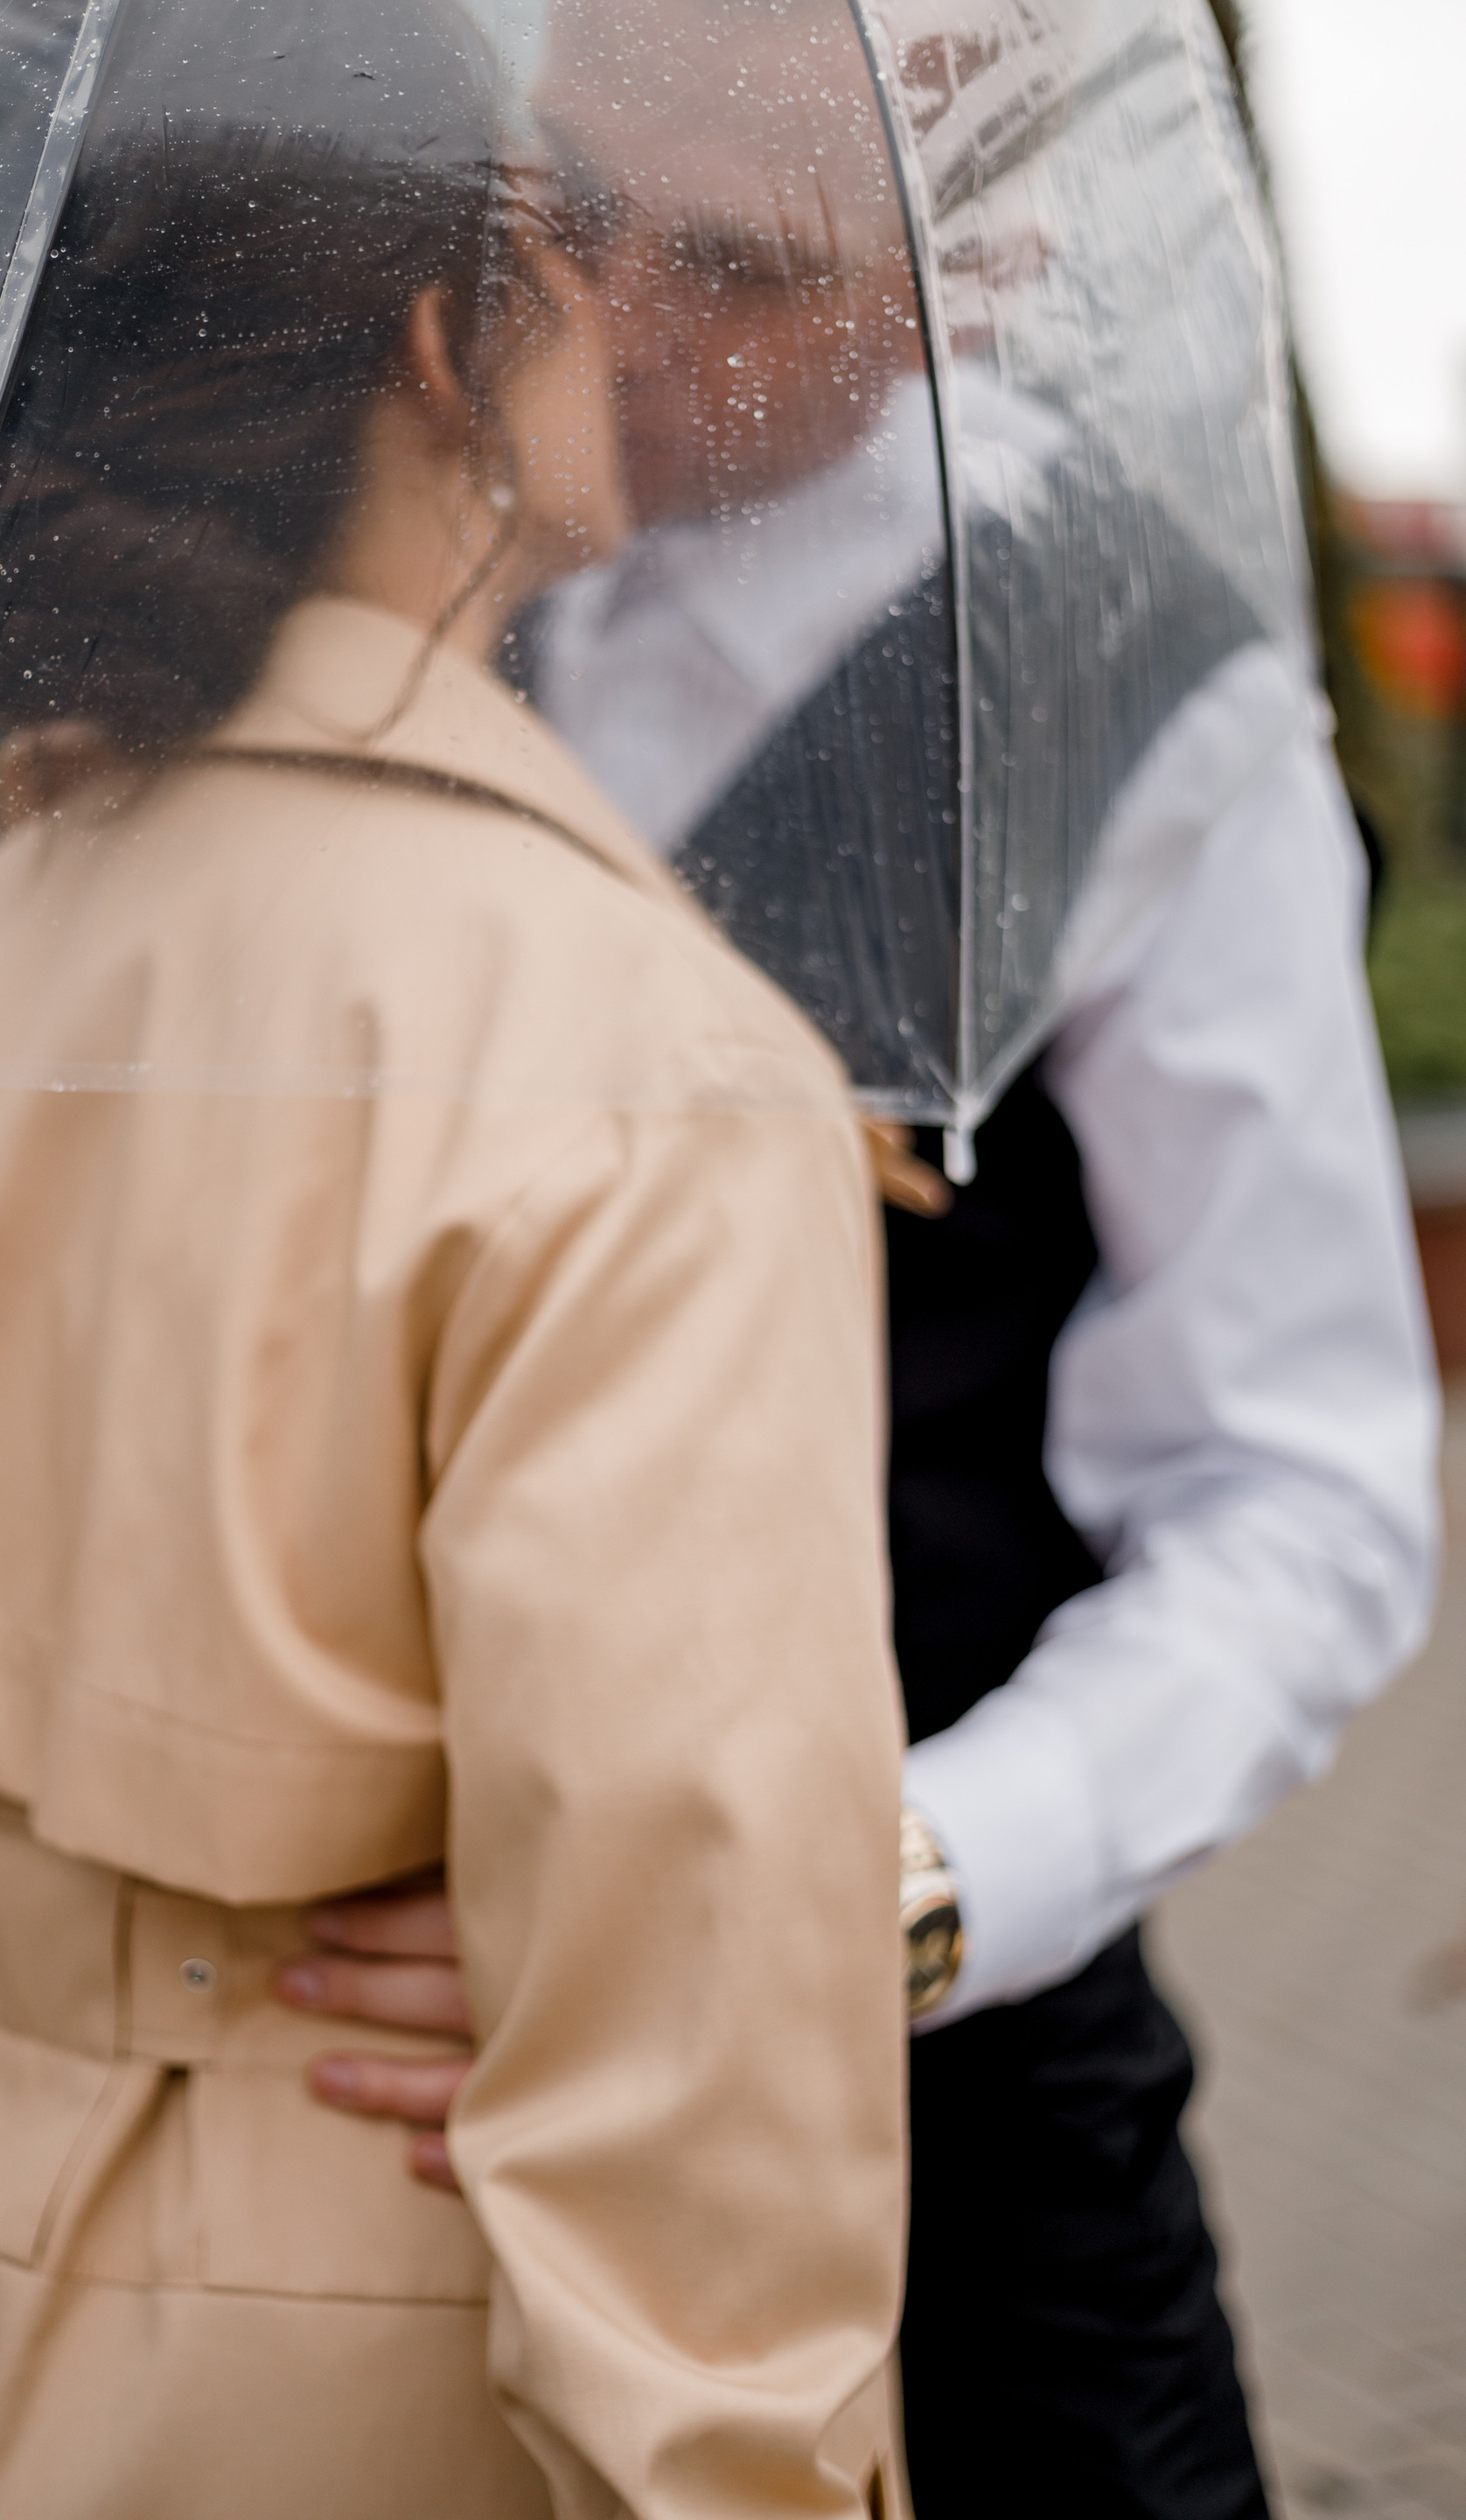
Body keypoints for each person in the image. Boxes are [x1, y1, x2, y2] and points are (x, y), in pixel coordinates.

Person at [276, 9, 1442, 2517]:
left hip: (936, 2084)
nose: (614, 319)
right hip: (367, 2056)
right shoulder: (371, 591)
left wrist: (876, 1895)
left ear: (979, 266)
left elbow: (1306, 1493)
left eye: (740, 266)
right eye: (573, 214)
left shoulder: (1142, 695)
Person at [0, 6, 911, 2515]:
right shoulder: (635, 1049)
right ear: (432, 342)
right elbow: (701, 2020)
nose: (612, 291)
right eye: (554, 229)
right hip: (360, 2330)